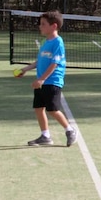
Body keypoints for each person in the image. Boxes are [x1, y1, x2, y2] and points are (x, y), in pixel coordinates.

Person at [14, 10, 77, 147]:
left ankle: (70, 130)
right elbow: (40, 61)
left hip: (52, 81)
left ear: (53, 26)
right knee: (38, 108)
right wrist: (25, 69)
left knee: (52, 109)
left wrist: (42, 79)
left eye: (43, 24)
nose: (40, 26)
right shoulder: (45, 41)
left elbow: (55, 63)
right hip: (41, 81)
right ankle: (45, 136)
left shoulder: (58, 42)